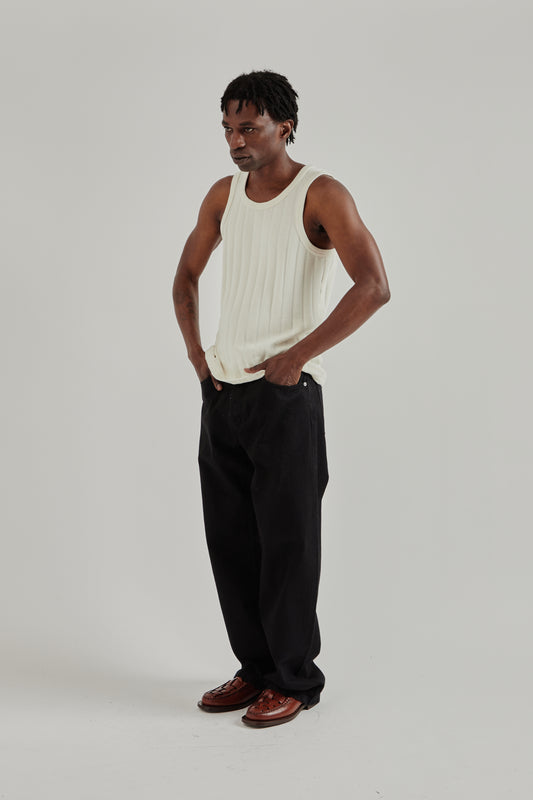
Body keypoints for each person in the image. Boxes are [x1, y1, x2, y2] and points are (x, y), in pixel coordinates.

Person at [172, 69, 390, 728]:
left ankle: (293, 678)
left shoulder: (320, 193)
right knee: (231, 542)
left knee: (288, 545)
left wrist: (295, 357)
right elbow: (186, 276)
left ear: (284, 126)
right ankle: (255, 669)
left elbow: (373, 285)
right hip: (223, 395)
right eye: (227, 129)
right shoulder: (223, 195)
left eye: (249, 127)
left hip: (286, 398)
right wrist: (198, 357)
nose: (235, 141)